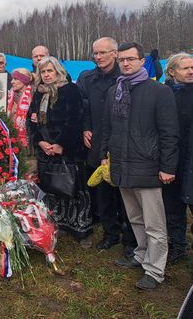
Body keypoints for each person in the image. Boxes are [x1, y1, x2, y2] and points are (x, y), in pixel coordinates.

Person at [101, 42, 179, 290]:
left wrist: (168, 167)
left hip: (147, 166)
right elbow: (107, 127)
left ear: (141, 60)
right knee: (135, 218)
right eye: (122, 59)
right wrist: (104, 155)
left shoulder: (159, 91)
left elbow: (169, 133)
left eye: (131, 59)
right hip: (122, 167)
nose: (125, 63)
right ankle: (140, 254)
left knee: (154, 224)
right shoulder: (116, 91)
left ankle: (155, 271)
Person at [77, 37, 136, 257]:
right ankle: (110, 234)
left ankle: (130, 239)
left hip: (122, 145)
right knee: (101, 193)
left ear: (115, 53)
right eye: (95, 53)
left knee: (124, 194)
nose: (99, 57)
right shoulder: (86, 78)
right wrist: (85, 128)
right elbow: (82, 108)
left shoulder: (126, 77)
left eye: (103, 53)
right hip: (96, 143)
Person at [27, 57, 93, 244]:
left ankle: (81, 230)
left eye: (50, 71)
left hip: (69, 149)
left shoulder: (70, 89)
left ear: (58, 72)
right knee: (52, 188)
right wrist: (40, 142)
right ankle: (59, 225)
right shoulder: (38, 92)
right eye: (43, 72)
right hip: (45, 150)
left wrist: (61, 144)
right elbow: (31, 120)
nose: (47, 75)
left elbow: (75, 119)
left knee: (74, 188)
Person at [163, 53, 193, 263]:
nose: (191, 71)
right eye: (185, 68)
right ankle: (178, 245)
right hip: (171, 159)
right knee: (173, 206)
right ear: (172, 71)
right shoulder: (165, 94)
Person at [6, 68, 33, 148]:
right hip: (10, 139)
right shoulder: (8, 97)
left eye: (15, 79)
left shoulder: (33, 97)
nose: (12, 82)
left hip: (30, 142)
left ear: (24, 80)